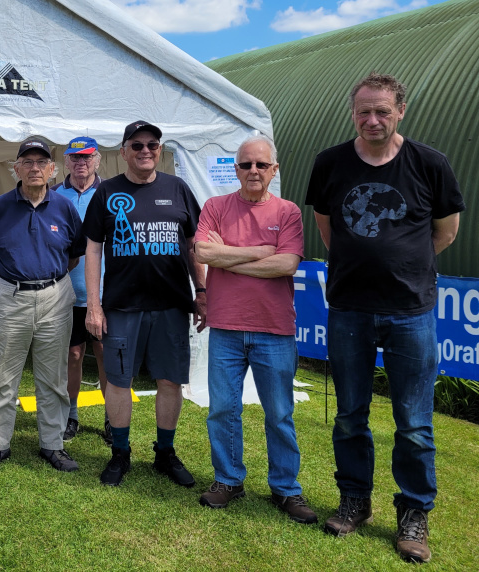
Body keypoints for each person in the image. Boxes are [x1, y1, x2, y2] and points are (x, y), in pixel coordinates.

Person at [305, 72, 464, 563]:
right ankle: (354, 501)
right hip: (349, 309)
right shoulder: (330, 163)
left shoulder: (429, 164)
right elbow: (329, 230)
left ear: (401, 111)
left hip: (410, 313)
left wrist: (401, 267)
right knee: (350, 415)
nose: (372, 120)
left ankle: (414, 514)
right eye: (363, 111)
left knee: (414, 423)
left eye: (382, 111)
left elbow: (446, 232)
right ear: (353, 113)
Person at [193, 136, 316, 523]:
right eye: (246, 164)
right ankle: (228, 480)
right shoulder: (215, 207)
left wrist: (227, 257)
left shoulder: (289, 211)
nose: (253, 171)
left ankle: (286, 489)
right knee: (223, 409)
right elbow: (202, 252)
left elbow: (285, 266)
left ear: (274, 170)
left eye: (261, 165)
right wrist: (262, 250)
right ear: (236, 169)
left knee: (279, 412)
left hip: (274, 329)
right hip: (226, 327)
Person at [83, 121, 206, 488]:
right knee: (119, 382)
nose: (145, 151)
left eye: (153, 144)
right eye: (136, 145)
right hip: (122, 307)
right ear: (123, 151)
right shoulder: (106, 192)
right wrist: (94, 305)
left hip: (171, 305)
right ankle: (120, 453)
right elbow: (92, 248)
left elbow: (192, 245)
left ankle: (164, 453)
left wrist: (202, 291)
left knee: (170, 380)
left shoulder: (178, 189)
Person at [0, 137, 86, 473]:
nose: (35, 168)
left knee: (52, 378)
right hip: (10, 297)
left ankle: (53, 444)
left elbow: (74, 256)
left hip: (55, 297)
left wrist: (45, 283)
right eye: (28, 163)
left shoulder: (64, 208)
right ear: (16, 169)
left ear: (52, 169)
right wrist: (15, 281)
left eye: (41, 163)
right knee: (4, 378)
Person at [52, 136, 110, 444]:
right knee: (73, 355)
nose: (81, 163)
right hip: (67, 294)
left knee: (105, 354)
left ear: (97, 160)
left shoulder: (112, 193)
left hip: (106, 293)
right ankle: (70, 414)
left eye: (87, 157)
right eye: (75, 158)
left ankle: (112, 416)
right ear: (66, 162)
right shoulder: (53, 195)